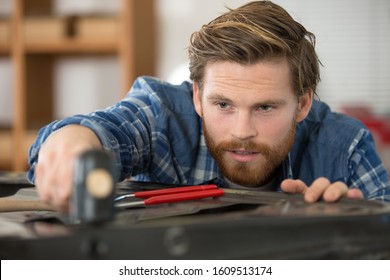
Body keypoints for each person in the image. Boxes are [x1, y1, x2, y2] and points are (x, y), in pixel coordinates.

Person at [28, 0, 390, 211]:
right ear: (197, 97)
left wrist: (350, 231)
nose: (241, 130)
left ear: (303, 104)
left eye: (265, 108)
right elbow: (108, 130)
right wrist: (72, 142)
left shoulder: (346, 149)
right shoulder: (162, 117)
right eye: (223, 104)